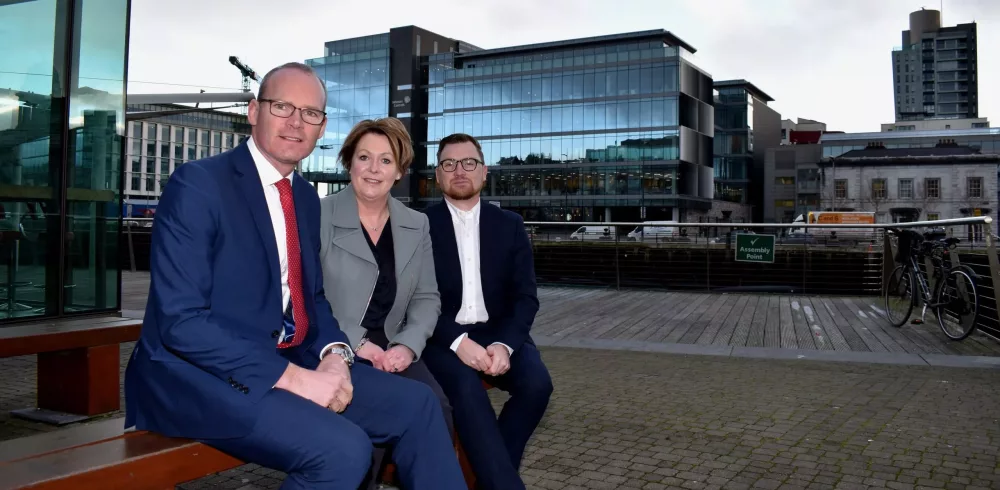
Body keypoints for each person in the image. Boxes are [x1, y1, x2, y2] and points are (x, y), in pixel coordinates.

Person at [122, 62, 467, 490]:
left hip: (289, 357)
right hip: (199, 376)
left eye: (311, 113)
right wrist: (298, 381)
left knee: (420, 403)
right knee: (343, 449)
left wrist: (336, 357)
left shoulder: (303, 197)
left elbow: (313, 299)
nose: (296, 122)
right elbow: (181, 322)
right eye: (283, 106)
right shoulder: (198, 186)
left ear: (321, 127)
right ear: (253, 111)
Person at [318, 118, 453, 487]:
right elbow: (307, 297)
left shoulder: (415, 224)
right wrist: (355, 343)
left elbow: (427, 297)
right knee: (364, 431)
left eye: (386, 161)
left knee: (437, 406)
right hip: (336, 346)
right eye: (364, 157)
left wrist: (408, 347)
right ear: (349, 163)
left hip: (393, 346)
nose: (374, 169)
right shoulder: (319, 216)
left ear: (400, 171)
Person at [421, 133, 554, 490]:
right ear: (438, 175)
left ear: (484, 172)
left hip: (500, 332)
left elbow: (526, 297)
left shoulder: (509, 225)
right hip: (441, 335)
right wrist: (457, 342)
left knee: (537, 385)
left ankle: (490, 478)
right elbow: (413, 300)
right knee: (466, 387)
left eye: (469, 163)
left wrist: (506, 346)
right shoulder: (417, 226)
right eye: (449, 164)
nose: (459, 171)